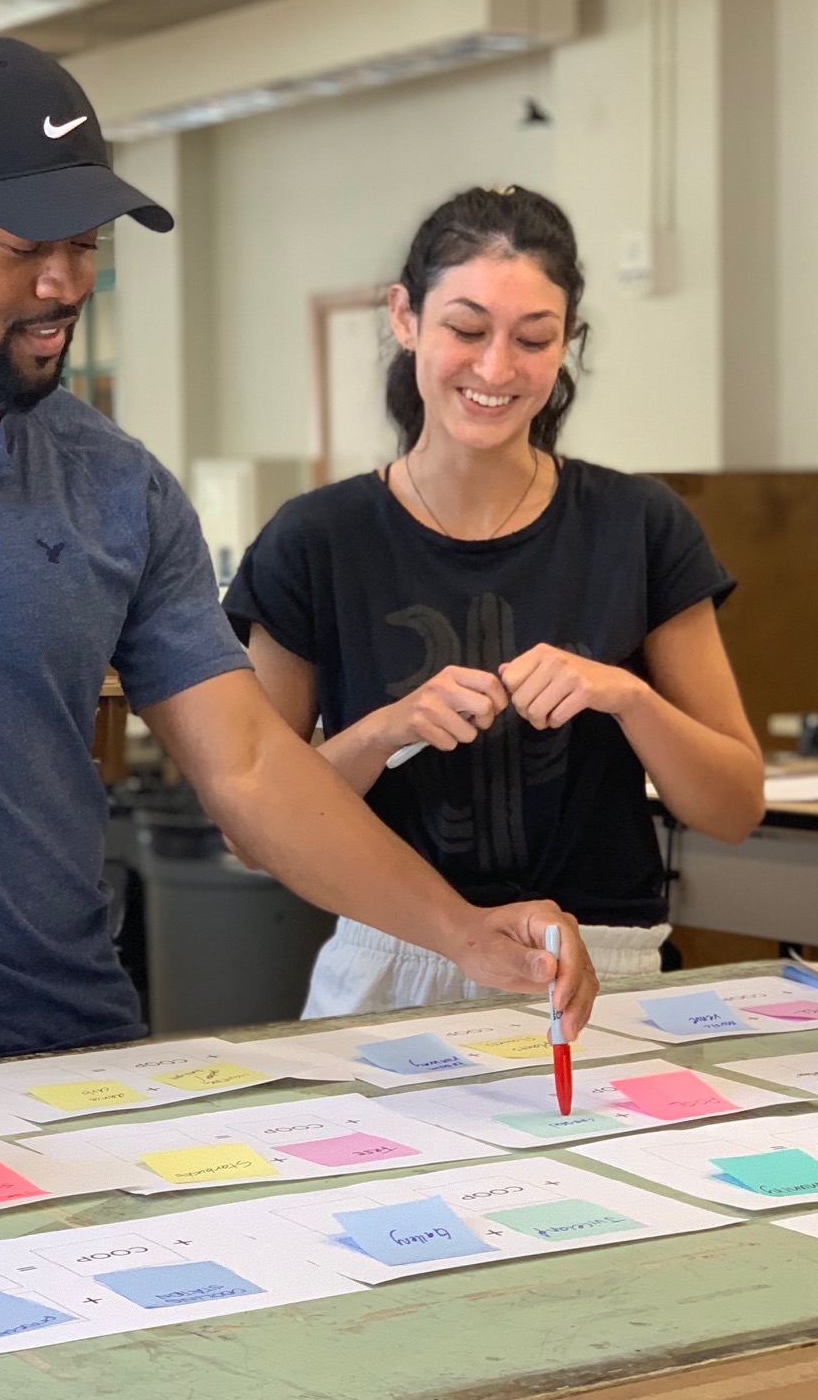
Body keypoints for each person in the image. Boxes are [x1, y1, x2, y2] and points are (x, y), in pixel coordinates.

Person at [0, 32, 595, 1071]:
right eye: (24, 246)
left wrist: (461, 929)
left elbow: (246, 766)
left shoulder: (119, 484)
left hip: (74, 1058)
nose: (65, 284)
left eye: (89, 243)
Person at [223, 188, 764, 1016]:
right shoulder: (314, 541)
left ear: (567, 343)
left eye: (535, 339)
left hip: (601, 973)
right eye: (467, 330)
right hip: (391, 965)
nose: (496, 369)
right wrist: (384, 731)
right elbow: (251, 828)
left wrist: (626, 696)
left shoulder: (641, 527)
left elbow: (733, 806)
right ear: (405, 318)